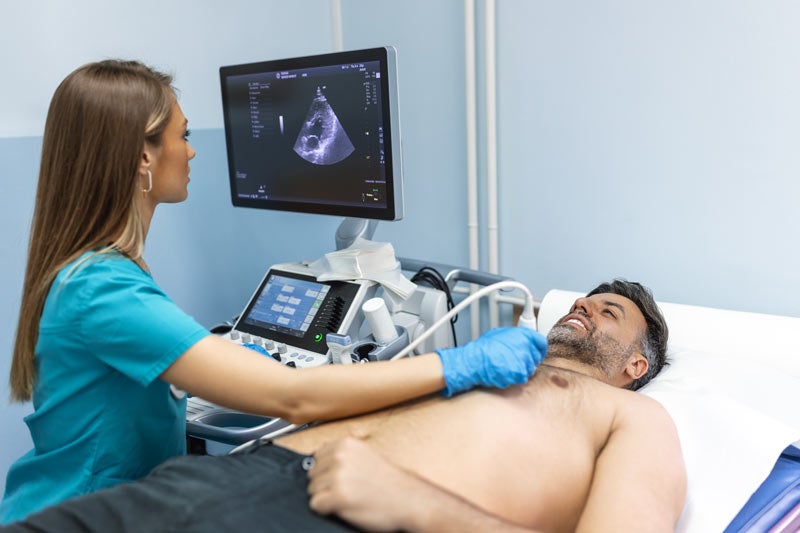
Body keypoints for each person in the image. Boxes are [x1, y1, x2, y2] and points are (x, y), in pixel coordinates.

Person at [0, 59, 546, 524]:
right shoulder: (100, 287)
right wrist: (458, 365)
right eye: (183, 136)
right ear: (143, 156)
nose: (191, 152)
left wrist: (221, 363)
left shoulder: (99, 269)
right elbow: (292, 397)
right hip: (77, 516)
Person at [0, 279, 686, 532]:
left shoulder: (635, 418)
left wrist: (415, 502)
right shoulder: (493, 354)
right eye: (581, 297)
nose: (581, 306)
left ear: (636, 363)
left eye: (608, 309)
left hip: (346, 515)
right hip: (231, 475)